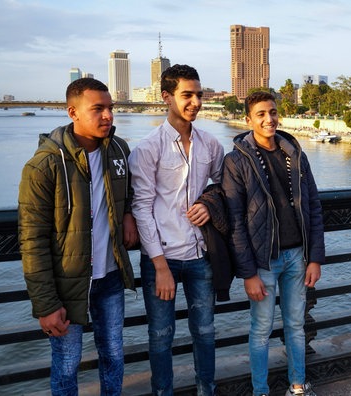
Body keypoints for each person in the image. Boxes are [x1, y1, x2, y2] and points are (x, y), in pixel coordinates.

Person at [18, 77, 138, 395]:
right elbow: (32, 240)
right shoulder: (44, 166)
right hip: (68, 283)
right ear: (73, 112)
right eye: (97, 109)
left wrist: (127, 214)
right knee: (67, 363)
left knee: (113, 355)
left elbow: (130, 191)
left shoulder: (119, 151)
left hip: (110, 276)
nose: (108, 116)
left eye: (110, 108)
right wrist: (45, 304)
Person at [129, 64, 224, 396]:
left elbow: (224, 187)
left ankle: (206, 390)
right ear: (166, 97)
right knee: (160, 335)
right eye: (187, 95)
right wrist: (159, 266)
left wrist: (210, 204)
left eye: (199, 94)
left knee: (206, 331)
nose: (195, 102)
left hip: (200, 254)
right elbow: (141, 208)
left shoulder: (211, 144)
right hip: (162, 258)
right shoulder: (147, 148)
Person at [222, 91, 325, 396]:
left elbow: (314, 205)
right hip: (262, 260)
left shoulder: (294, 153)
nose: (269, 119)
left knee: (295, 326)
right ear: (248, 119)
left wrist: (315, 257)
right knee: (261, 330)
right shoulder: (236, 161)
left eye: (273, 112)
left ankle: (297, 386)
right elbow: (235, 221)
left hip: (297, 255)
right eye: (261, 114)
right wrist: (248, 273)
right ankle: (260, 391)